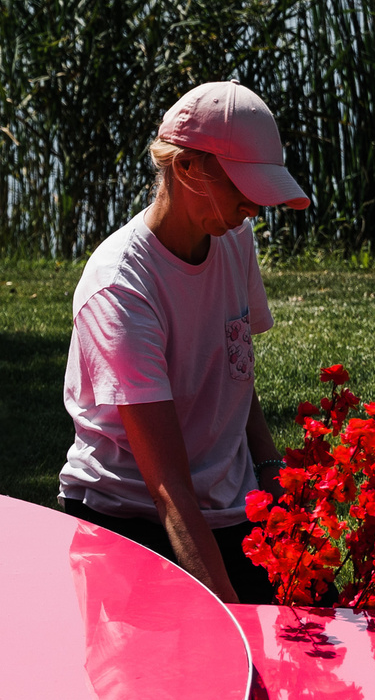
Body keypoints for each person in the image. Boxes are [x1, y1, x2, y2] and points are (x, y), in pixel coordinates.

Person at [57, 81, 309, 602]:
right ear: (188, 167)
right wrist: (233, 616)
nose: (254, 207)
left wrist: (273, 482)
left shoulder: (233, 238)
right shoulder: (122, 287)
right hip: (131, 519)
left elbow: (235, 371)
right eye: (243, 187)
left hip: (227, 506)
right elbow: (168, 488)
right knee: (215, 646)